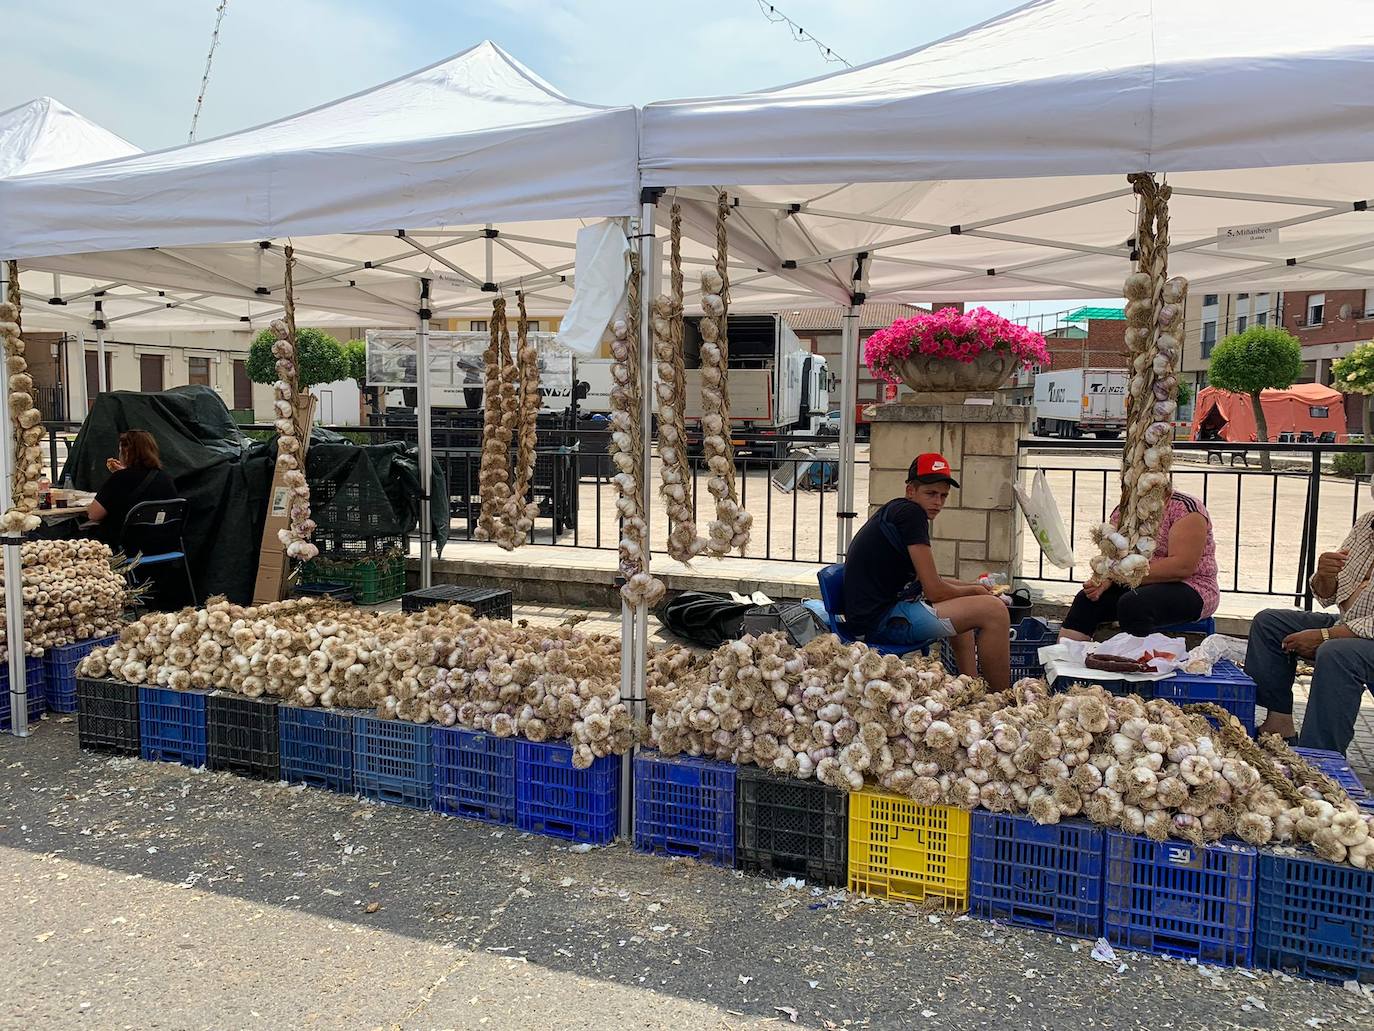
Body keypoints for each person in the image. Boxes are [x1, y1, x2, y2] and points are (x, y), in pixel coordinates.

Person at [840, 452, 1012, 691]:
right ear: (911, 491)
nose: (938, 502)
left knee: (967, 611)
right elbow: (935, 591)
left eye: (943, 495)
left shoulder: (896, 511)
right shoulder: (912, 515)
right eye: (930, 494)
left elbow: (931, 581)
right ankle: (1001, 697)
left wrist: (971, 588)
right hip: (881, 622)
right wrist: (974, 589)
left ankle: (972, 689)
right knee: (994, 610)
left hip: (877, 614)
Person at [1247, 507, 1374, 752]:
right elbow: (1328, 594)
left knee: (1337, 653)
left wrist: (1325, 636)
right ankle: (1278, 724)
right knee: (1269, 623)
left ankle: (1319, 758)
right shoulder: (1367, 522)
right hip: (1348, 623)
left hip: (1360, 637)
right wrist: (1325, 575)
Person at [1059, 489, 1219, 642]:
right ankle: (1065, 661)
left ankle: (1135, 664)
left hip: (1192, 587)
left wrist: (1116, 575)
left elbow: (1181, 567)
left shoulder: (1186, 509)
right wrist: (1105, 580)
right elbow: (1115, 558)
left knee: (1134, 604)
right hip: (1136, 582)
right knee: (1087, 600)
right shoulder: (1123, 512)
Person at [86, 430, 178, 549]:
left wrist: (119, 476)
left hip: (126, 546)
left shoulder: (119, 479)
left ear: (127, 452)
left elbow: (93, 514)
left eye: (120, 451)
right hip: (162, 545)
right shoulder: (165, 478)